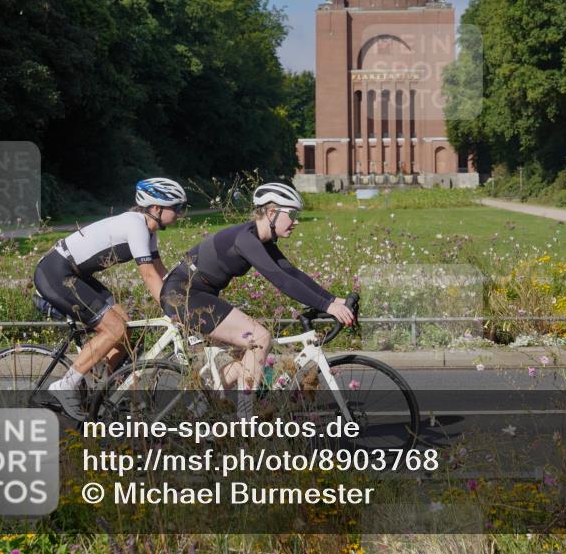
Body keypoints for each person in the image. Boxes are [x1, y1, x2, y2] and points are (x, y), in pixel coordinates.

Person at [159, 182, 354, 415]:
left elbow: (291, 273)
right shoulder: (246, 239)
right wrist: (327, 306)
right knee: (259, 338)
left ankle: (200, 409)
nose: (296, 221)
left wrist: (334, 300)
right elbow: (280, 280)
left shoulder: (260, 238)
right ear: (271, 213)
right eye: (292, 215)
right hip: (183, 295)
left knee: (249, 359)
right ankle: (245, 421)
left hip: (198, 294)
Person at [34, 178, 187, 419]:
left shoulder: (149, 231)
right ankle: (65, 385)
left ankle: (98, 388)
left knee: (126, 328)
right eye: (177, 208)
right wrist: (172, 310)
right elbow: (148, 275)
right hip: (56, 272)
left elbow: (160, 272)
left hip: (77, 274)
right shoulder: (135, 225)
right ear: (156, 208)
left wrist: (184, 298)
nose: (181, 213)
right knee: (115, 328)